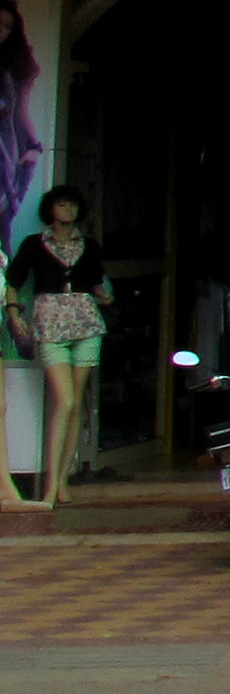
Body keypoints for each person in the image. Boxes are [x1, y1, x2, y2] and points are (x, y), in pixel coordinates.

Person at [6, 184, 108, 508]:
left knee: (76, 402)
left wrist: (105, 294)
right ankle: (50, 485)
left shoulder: (88, 245)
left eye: (73, 205)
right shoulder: (34, 245)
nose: (67, 210)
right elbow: (14, 282)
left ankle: (62, 480)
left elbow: (98, 283)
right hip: (50, 326)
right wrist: (13, 312)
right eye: (62, 205)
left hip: (86, 323)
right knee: (63, 401)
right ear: (50, 210)